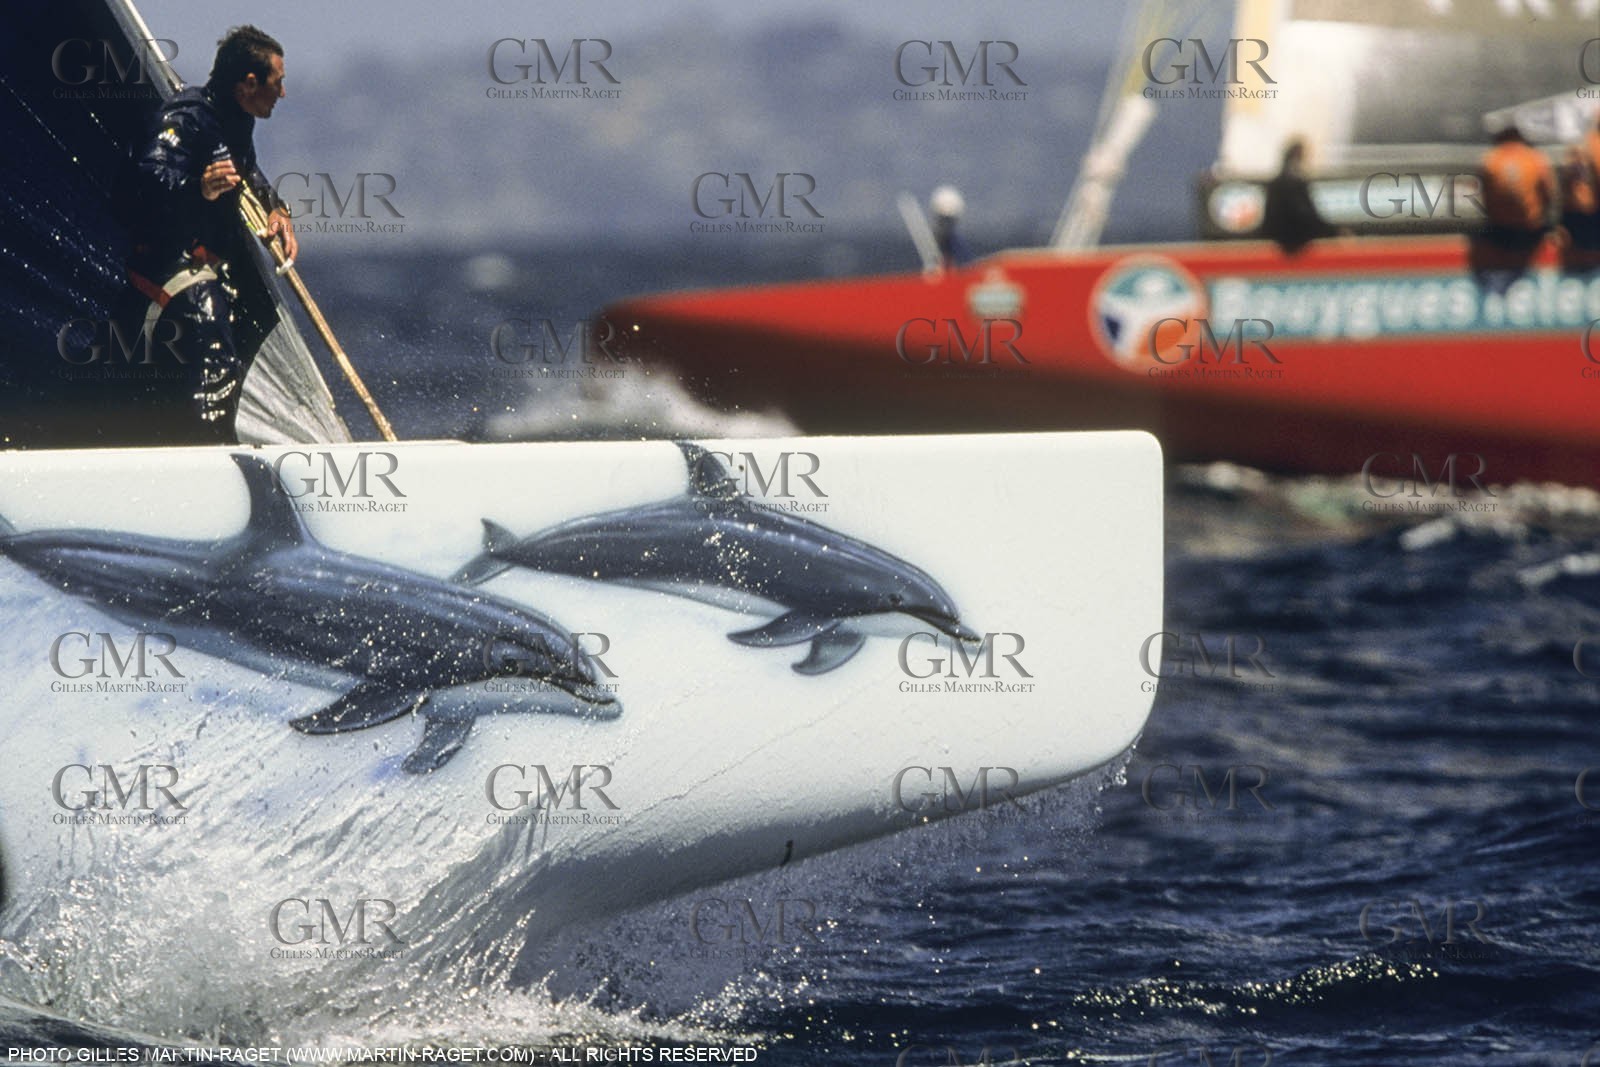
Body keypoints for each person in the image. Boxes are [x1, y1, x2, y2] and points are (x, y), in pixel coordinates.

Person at [118, 25, 297, 442]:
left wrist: (275, 209)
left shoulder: (235, 120)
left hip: (207, 263)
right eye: (279, 82)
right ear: (249, 83)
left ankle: (201, 433)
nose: (283, 94)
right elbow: (146, 178)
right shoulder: (186, 118)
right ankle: (208, 452)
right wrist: (197, 186)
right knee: (214, 353)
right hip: (165, 264)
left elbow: (246, 172)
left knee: (258, 315)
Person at [1470, 122, 1555, 287]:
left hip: (1500, 231)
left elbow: (1482, 196)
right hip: (1529, 231)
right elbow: (1548, 194)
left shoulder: (1490, 159)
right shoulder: (1535, 158)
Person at [1260, 139, 1337, 255]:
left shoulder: (1276, 183)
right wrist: (1332, 232)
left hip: (1279, 241)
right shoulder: (1296, 183)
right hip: (1295, 242)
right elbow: (1304, 214)